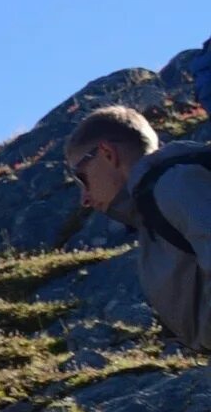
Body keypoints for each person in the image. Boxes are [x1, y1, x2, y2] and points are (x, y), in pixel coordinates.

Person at [66, 104, 211, 355]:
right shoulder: (150, 207)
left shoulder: (174, 185)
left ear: (107, 153)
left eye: (82, 177)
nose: (84, 198)